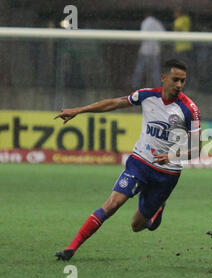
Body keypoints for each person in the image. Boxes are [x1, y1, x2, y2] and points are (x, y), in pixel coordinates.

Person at [54, 59, 201, 261]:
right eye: (175, 80)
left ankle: (157, 210)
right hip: (140, 162)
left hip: (167, 174)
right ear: (164, 77)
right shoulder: (147, 95)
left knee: (137, 226)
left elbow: (197, 148)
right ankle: (71, 248)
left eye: (183, 81)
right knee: (113, 203)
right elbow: (115, 103)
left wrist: (171, 156)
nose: (179, 85)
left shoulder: (189, 109)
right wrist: (79, 110)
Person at [131, 14, 165, 89]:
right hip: (155, 51)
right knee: (155, 70)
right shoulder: (157, 23)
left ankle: (135, 86)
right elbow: (163, 35)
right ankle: (158, 87)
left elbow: (142, 35)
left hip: (145, 50)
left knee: (140, 69)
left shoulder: (145, 22)